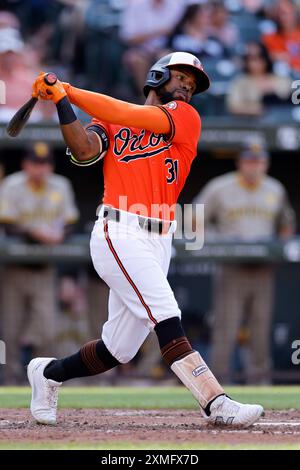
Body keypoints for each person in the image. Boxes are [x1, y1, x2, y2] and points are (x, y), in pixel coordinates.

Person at [27, 51, 263, 427]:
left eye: (192, 83)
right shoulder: (110, 120)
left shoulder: (185, 117)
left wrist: (68, 90)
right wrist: (61, 104)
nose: (186, 86)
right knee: (166, 314)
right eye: (180, 77)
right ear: (156, 76)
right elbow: (83, 150)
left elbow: (132, 115)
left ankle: (49, 373)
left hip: (159, 238)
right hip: (119, 229)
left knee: (118, 349)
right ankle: (215, 402)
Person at [193, 143, 295, 384]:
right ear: (240, 162)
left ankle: (260, 384)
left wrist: (277, 249)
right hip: (231, 267)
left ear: (266, 163)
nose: (254, 166)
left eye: (259, 161)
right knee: (226, 329)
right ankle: (217, 386)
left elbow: (287, 223)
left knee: (260, 332)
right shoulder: (221, 186)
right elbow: (194, 217)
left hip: (261, 269)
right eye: (250, 160)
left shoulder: (275, 188)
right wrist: (218, 241)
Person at [0, 142, 79, 384]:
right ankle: (11, 380)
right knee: (10, 332)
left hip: (45, 268)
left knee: (47, 331)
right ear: (26, 164)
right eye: (35, 163)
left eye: (45, 164)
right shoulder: (12, 184)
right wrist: (36, 232)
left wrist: (59, 234)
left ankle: (41, 380)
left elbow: (70, 222)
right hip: (14, 269)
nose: (40, 168)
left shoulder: (60, 185)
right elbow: (7, 224)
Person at [226, 42, 291, 116]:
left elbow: (290, 103)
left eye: (260, 57)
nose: (257, 61)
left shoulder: (281, 79)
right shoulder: (239, 82)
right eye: (251, 58)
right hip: (249, 123)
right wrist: (258, 109)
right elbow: (233, 106)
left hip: (280, 122)